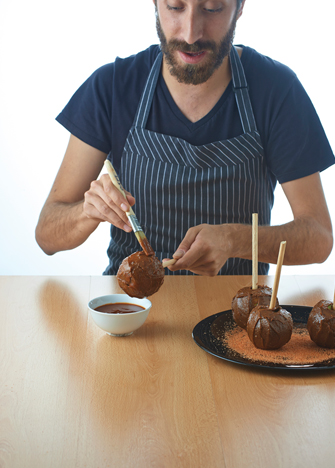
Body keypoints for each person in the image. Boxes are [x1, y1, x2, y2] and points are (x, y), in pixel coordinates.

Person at [35, 0, 334, 277]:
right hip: (129, 310)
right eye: (176, 7)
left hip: (237, 316)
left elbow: (319, 236)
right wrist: (87, 212)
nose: (191, 34)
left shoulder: (276, 90)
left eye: (213, 8)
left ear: (240, 7)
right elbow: (47, 234)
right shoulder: (112, 87)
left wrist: (235, 240)